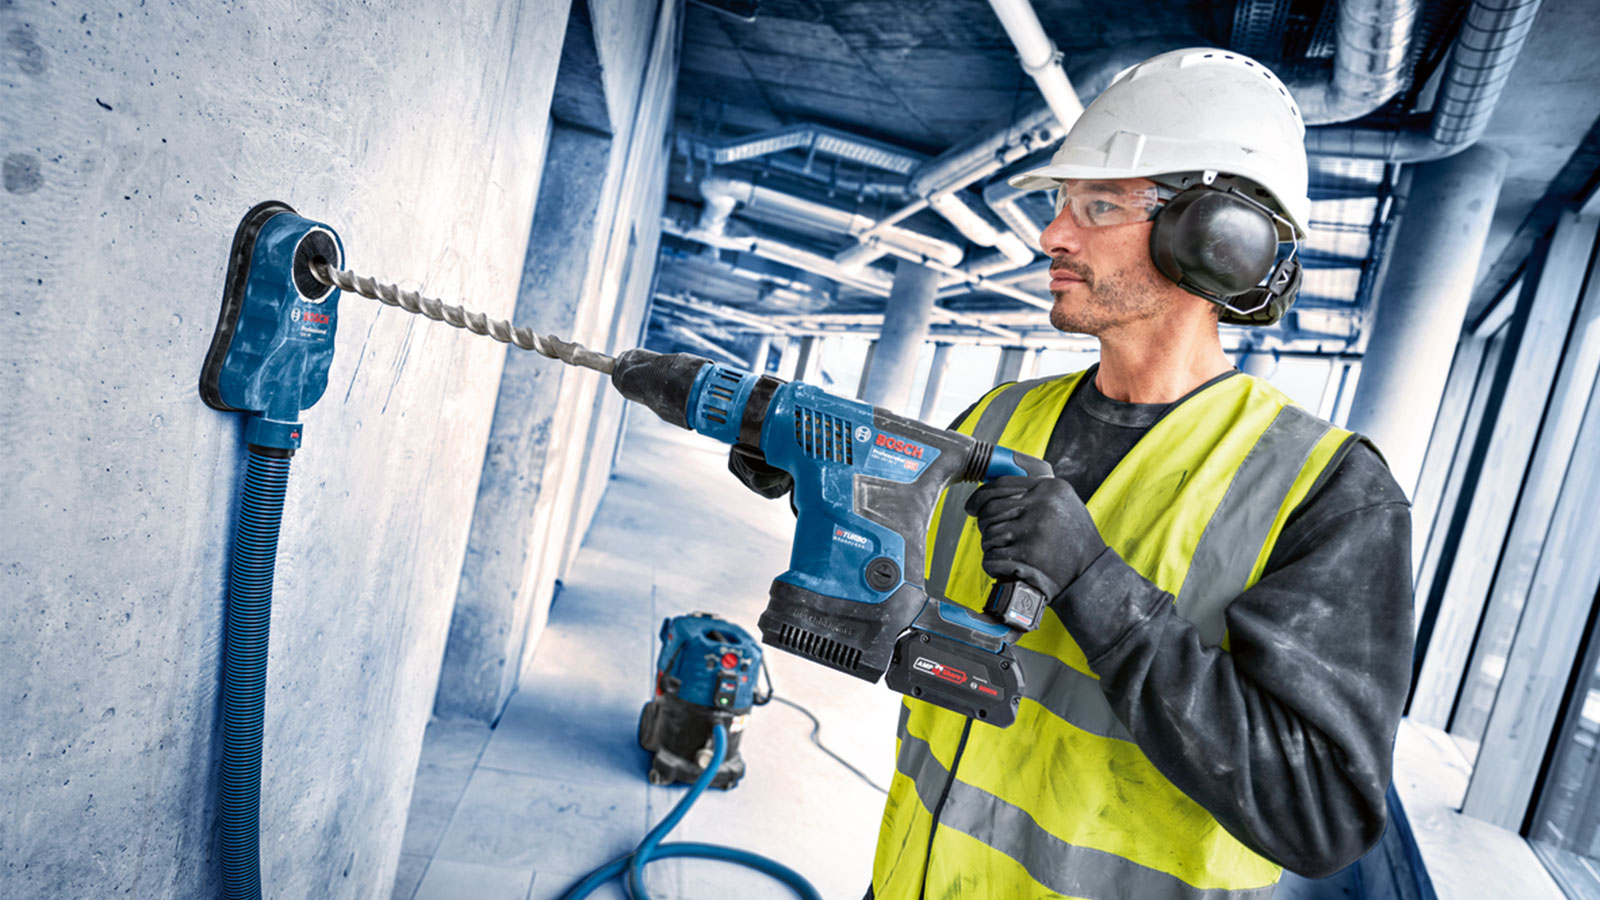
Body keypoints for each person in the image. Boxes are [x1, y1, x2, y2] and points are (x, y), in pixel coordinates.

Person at [732, 47, 1414, 900]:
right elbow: (900, 560)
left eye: (1097, 205)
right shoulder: (998, 418)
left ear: (1219, 240)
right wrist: (811, 471)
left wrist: (1097, 587)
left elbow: (1319, 813)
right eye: (1062, 206)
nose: (1053, 235)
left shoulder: (1327, 491)